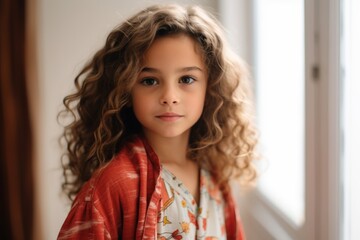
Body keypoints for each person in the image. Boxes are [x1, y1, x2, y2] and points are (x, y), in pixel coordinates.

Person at [57, 3, 258, 240]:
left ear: (211, 87)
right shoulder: (114, 184)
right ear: (125, 88)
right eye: (150, 81)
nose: (169, 97)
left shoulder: (215, 179)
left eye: (186, 79)